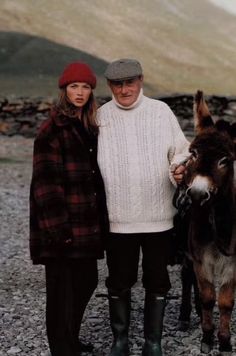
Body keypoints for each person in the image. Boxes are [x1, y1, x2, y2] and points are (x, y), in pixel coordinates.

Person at [97, 58, 189, 356]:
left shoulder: (160, 112)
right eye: (117, 84)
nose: (124, 90)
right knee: (118, 280)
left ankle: (153, 342)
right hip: (117, 219)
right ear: (110, 85)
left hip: (158, 217)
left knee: (157, 279)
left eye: (130, 82)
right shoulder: (101, 117)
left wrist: (178, 168)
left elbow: (181, 151)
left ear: (141, 81)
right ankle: (120, 340)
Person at [29, 62, 108, 356]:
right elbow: (45, 186)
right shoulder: (52, 129)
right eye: (74, 86)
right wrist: (58, 230)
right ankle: (62, 349)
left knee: (86, 281)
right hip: (60, 228)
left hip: (85, 226)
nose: (80, 92)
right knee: (61, 292)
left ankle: (71, 339)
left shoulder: (87, 127)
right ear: (64, 90)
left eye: (86, 87)